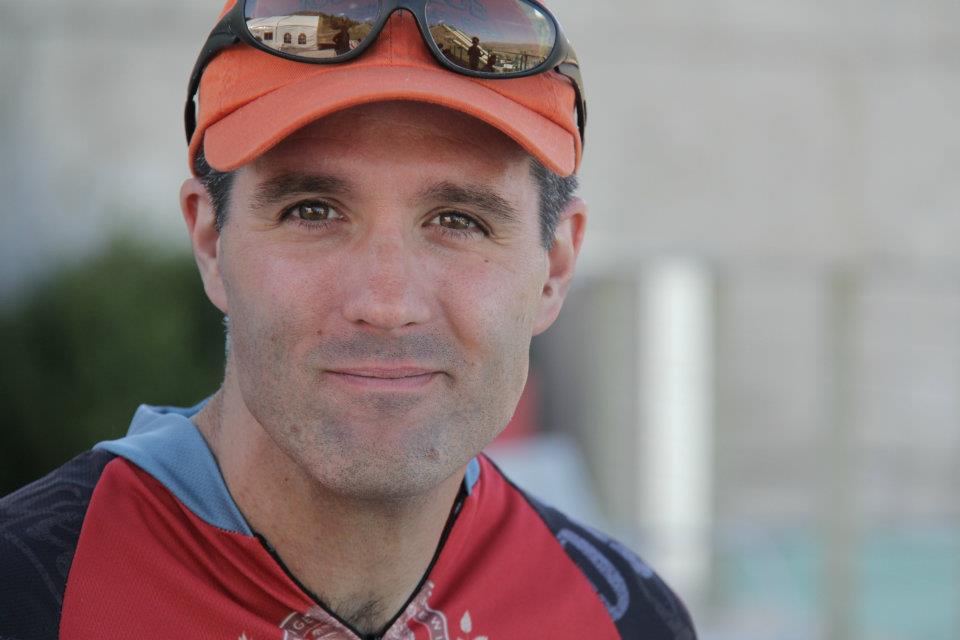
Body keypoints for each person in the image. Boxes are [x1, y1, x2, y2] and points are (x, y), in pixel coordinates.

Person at [0, 1, 696, 639]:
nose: (387, 304)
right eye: (313, 212)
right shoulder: (27, 596)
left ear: (555, 267)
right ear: (211, 242)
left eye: (459, 220)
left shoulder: (627, 620)